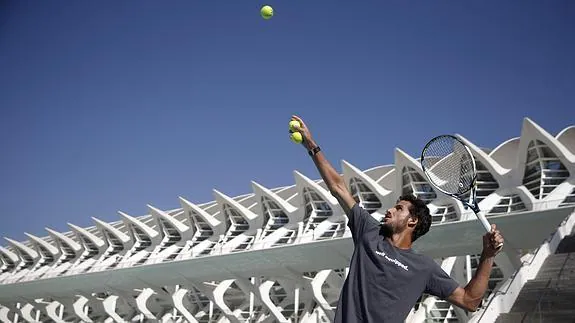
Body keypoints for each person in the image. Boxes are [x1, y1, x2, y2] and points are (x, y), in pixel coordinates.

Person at [289, 115, 505, 323]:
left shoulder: (424, 268)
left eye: (399, 208)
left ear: (412, 222)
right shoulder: (370, 232)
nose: (390, 211)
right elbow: (338, 187)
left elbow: (469, 300)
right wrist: (311, 146)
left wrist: (488, 255)